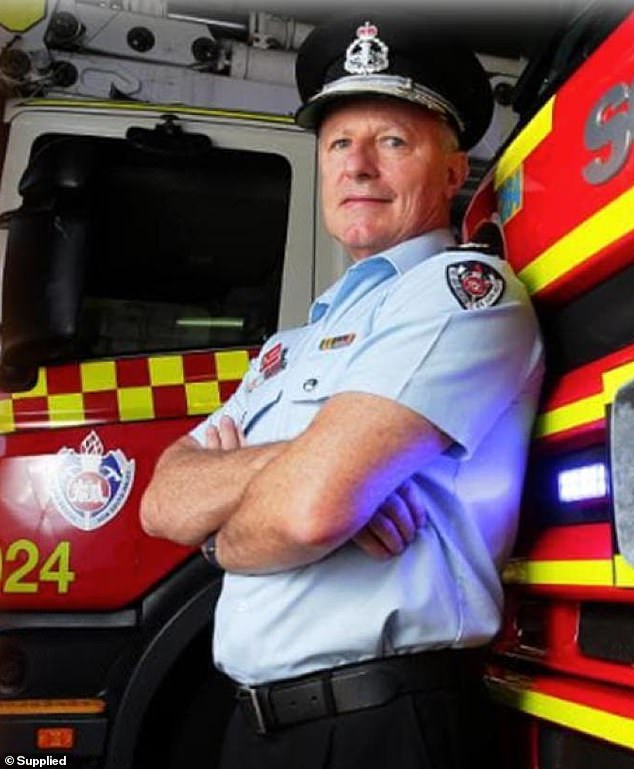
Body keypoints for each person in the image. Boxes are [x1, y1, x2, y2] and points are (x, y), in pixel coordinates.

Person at [140, 12, 544, 769]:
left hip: (381, 727)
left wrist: (226, 525)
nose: (357, 165)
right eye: (337, 144)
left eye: (391, 140)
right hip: (257, 726)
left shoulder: (461, 295)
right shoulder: (285, 350)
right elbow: (161, 500)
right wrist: (296, 460)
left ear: (453, 173)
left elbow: (308, 509)